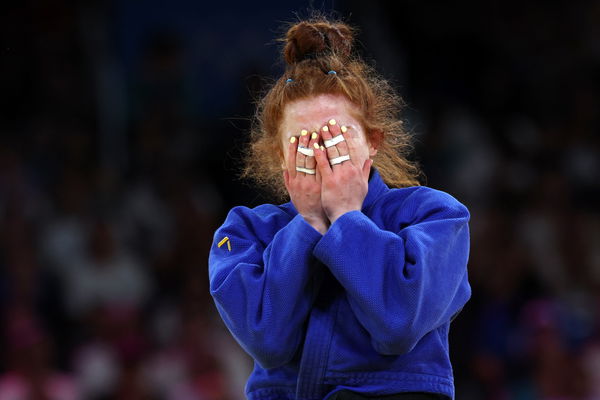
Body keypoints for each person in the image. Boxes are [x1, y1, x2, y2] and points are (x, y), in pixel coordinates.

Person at [208, 17, 471, 400]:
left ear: (373, 142)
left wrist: (347, 217)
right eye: (302, 142)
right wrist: (309, 222)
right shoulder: (245, 232)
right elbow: (267, 343)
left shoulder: (435, 216)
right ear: (282, 157)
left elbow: (398, 325)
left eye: (334, 139)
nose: (319, 155)